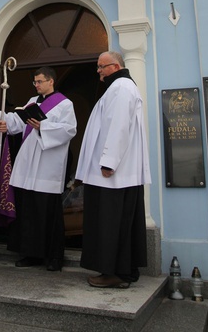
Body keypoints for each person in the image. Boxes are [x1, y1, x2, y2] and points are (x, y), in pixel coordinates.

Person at [75, 51, 151, 289]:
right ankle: (124, 270)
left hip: (112, 174)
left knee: (111, 223)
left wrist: (109, 161)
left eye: (101, 66)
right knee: (118, 222)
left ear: (115, 66)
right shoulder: (120, 87)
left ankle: (115, 272)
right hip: (116, 174)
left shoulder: (121, 88)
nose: (98, 71)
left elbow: (119, 126)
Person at [0, 66, 76, 272]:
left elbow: (69, 130)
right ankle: (30, 253)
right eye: (35, 82)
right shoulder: (32, 101)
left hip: (47, 164)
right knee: (29, 212)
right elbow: (18, 121)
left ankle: (53, 257)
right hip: (28, 162)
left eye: (40, 81)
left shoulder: (65, 104)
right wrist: (0, 118)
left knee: (47, 212)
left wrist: (44, 127)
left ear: (51, 81)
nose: (37, 85)